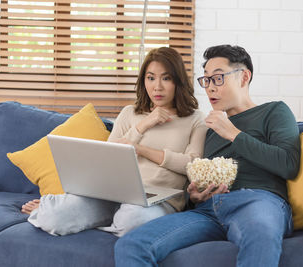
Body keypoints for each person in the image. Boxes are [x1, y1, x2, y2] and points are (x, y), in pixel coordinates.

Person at [114, 45, 301, 267]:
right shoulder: (208, 128)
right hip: (207, 210)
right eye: (207, 80)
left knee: (260, 233)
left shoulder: (273, 112)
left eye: (218, 78)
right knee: (132, 245)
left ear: (244, 77)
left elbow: (288, 164)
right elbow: (193, 172)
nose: (210, 88)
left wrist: (232, 133)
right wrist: (194, 195)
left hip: (256, 200)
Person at [21, 47, 208, 237]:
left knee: (132, 221)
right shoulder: (130, 113)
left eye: (166, 78)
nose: (157, 86)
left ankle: (101, 220)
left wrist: (141, 149)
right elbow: (107, 157)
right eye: (150, 78)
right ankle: (94, 217)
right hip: (114, 194)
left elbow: (193, 165)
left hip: (159, 201)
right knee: (52, 216)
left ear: (178, 81)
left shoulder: (195, 119)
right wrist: (143, 125)